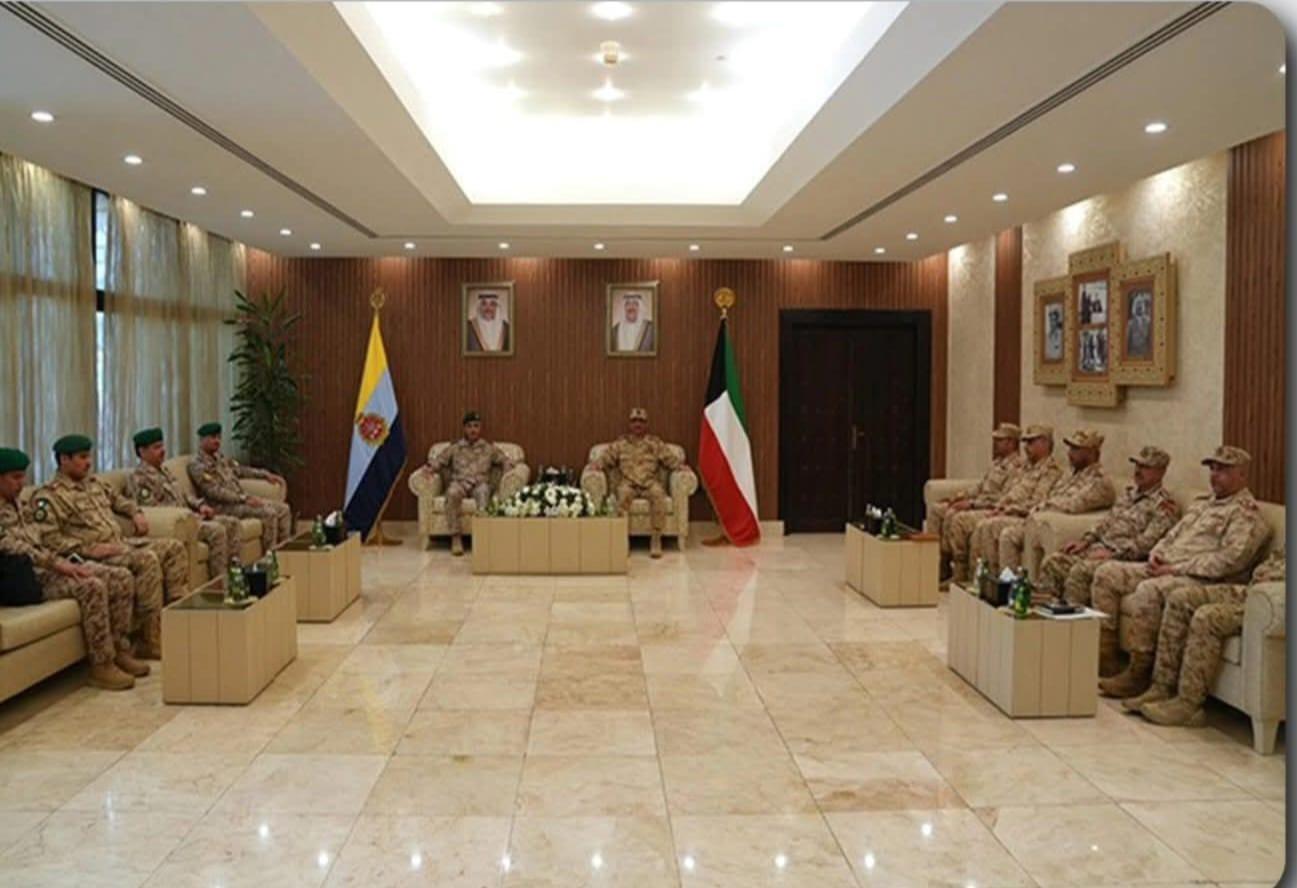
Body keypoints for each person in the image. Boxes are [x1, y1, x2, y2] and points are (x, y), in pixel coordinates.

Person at [1092, 445, 1271, 699]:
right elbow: (1172, 534)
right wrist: (1157, 554)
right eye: (1213, 469)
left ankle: (1140, 672)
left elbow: (1229, 561)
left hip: (1199, 578)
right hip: (1167, 566)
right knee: (1107, 573)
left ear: (1242, 475)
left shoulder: (1246, 513)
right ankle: (1106, 657)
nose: (1214, 475)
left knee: (1149, 590)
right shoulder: (1203, 505)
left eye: (1223, 470)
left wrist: (1174, 569)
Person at [0, 448, 145, 689]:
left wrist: (70, 559)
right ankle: (102, 665)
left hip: (49, 566)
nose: (21, 483)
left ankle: (120, 649)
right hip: (24, 579)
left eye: (23, 476)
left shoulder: (19, 505)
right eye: (15, 477)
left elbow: (44, 538)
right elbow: (13, 547)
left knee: (119, 577)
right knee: (91, 586)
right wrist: (57, 563)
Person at [31, 435, 172, 659]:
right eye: (82, 457)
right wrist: (88, 548)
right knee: (146, 559)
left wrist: (135, 513)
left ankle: (174, 621)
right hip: (92, 553)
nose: (88, 462)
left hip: (118, 543)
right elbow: (49, 540)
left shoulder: (95, 484)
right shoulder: (49, 496)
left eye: (89, 456)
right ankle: (148, 639)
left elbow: (120, 501)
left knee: (171, 547)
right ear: (64, 460)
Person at [1123, 548, 1285, 727]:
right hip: (1252, 590)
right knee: (1180, 598)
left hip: (1276, 600)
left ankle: (1188, 705)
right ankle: (1162, 688)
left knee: (1207, 617)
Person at [1037, 445, 1181, 646]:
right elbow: (1106, 522)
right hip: (1099, 549)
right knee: (1054, 562)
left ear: (1161, 472)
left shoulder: (1164, 506)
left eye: (1145, 467)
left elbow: (1147, 543)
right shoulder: (1128, 494)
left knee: (1080, 571)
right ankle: (1042, 626)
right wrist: (1085, 540)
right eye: (1137, 465)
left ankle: (1073, 639)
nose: (1138, 470)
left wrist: (1113, 554)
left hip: (1124, 559)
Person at [977, 429, 1116, 575]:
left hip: (1051, 523)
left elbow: (1073, 505)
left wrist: (1039, 508)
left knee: (1007, 534)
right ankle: (994, 582)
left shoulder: (1100, 482)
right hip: (1035, 519)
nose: (1070, 454)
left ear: (1091, 452)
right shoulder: (1071, 476)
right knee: (994, 528)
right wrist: (1014, 509)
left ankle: (1011, 585)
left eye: (1076, 449)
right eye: (1070, 449)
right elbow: (1048, 498)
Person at [944, 423, 1061, 582]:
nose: (1026, 447)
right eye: (1026, 442)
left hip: (1022, 516)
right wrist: (998, 507)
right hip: (1003, 509)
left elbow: (1037, 502)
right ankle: (977, 579)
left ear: (1045, 443)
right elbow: (1005, 494)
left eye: (1031, 442)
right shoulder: (1025, 468)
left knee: (985, 526)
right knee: (980, 526)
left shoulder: (1050, 471)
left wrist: (1008, 509)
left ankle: (994, 581)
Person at [127, 427, 242, 580]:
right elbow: (152, 510)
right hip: (178, 524)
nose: (163, 450)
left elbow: (184, 495)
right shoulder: (139, 478)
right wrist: (189, 516)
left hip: (192, 517)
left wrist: (200, 506)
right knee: (217, 531)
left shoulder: (164, 471)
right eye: (157, 447)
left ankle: (236, 577)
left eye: (162, 446)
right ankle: (219, 584)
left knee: (232, 523)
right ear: (142, 451)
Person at [589, 407, 684, 559]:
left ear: (646, 424)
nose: (637, 424)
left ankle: (656, 539)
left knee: (658, 495)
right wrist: (596, 465)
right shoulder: (621, 443)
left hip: (649, 482)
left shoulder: (654, 443)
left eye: (641, 421)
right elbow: (607, 457)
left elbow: (668, 458)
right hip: (628, 483)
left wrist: (680, 467)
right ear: (629, 424)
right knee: (622, 496)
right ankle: (623, 538)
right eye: (634, 421)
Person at [931, 422, 1024, 569]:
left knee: (956, 517)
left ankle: (959, 568)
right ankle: (936, 561)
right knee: (937, 509)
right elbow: (979, 487)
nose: (996, 444)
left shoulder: (1017, 467)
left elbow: (1003, 499)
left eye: (1000, 440)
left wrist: (972, 504)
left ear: (1011, 443)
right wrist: (959, 497)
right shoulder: (996, 463)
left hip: (988, 507)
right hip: (977, 503)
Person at [420, 411, 514, 556]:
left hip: (480, 484)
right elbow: (439, 460)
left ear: (480, 428)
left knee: (483, 493)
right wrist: (429, 469)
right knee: (452, 493)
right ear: (464, 428)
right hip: (460, 482)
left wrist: (508, 469)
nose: (473, 430)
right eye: (469, 426)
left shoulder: (488, 448)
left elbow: (504, 460)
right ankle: (456, 537)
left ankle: (482, 536)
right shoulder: (455, 447)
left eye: (476, 426)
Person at [187, 422, 292, 552]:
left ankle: (284, 553)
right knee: (268, 513)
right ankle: (270, 556)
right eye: (213, 437)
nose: (217, 441)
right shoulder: (197, 465)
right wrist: (244, 498)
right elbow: (214, 492)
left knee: (283, 509)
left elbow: (240, 470)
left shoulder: (220, 458)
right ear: (202, 440)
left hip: (239, 502)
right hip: (222, 507)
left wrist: (264, 474)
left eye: (219, 437)